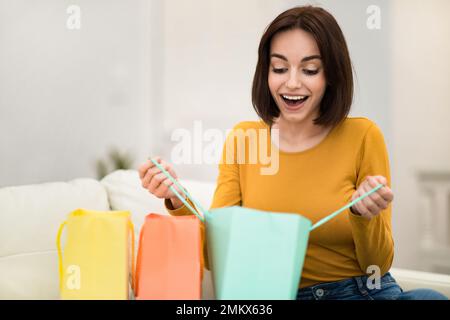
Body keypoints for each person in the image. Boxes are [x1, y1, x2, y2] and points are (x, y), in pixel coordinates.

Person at [138, 5, 447, 300]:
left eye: (310, 69)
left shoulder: (363, 136)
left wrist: (363, 216)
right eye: (280, 68)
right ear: (266, 71)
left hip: (362, 291)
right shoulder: (244, 139)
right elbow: (217, 256)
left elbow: (378, 264)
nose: (292, 82)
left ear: (331, 76)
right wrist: (178, 199)